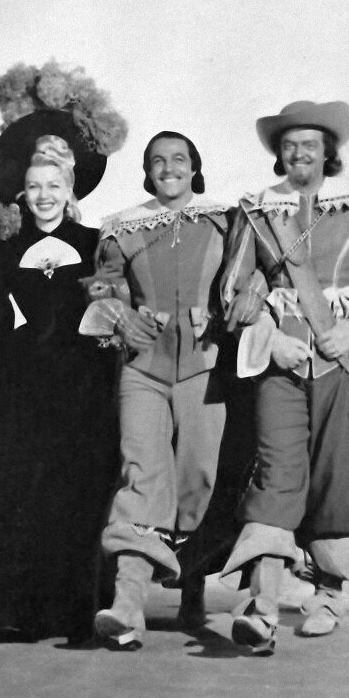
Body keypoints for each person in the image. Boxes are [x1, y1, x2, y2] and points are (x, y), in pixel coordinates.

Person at [0, 62, 127, 643]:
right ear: (22, 190)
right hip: (23, 380)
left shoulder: (96, 242)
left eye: (55, 186)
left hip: (84, 378)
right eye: (35, 186)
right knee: (11, 485)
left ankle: (68, 609)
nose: (45, 196)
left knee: (74, 487)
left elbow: (114, 311)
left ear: (71, 190)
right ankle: (5, 609)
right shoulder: (4, 247)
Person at [217, 100, 349, 655]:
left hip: (339, 364)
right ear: (279, 153)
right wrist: (269, 338)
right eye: (289, 144)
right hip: (278, 363)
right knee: (276, 474)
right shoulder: (256, 211)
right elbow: (232, 289)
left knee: (335, 477)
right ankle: (262, 607)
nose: (299, 153)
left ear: (329, 151)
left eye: (310, 144)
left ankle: (328, 595)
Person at [81, 131, 231, 649]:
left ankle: (193, 584)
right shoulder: (122, 227)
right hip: (142, 370)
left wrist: (231, 309)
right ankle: (127, 605)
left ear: (195, 167)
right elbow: (103, 285)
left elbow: (246, 278)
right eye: (158, 161)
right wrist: (119, 315)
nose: (169, 168)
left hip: (205, 369)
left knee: (199, 479)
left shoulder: (225, 221)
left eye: (179, 159)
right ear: (147, 172)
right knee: (142, 476)